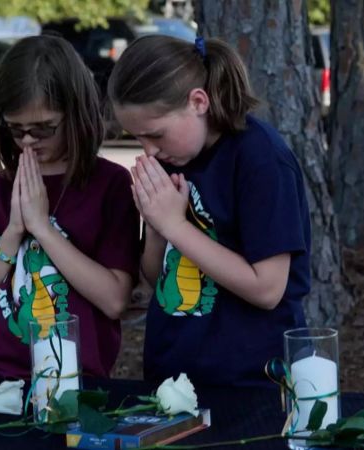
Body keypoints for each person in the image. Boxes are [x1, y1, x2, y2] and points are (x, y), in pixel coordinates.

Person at [108, 35, 312, 387]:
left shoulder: (260, 159)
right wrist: (156, 229)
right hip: (172, 376)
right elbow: (159, 279)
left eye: (156, 134)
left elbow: (268, 289)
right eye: (138, 139)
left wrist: (174, 225)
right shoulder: (176, 158)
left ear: (198, 101)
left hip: (250, 381)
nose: (150, 151)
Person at [0, 34, 139, 380]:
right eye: (15, 129)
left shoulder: (110, 185)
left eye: (43, 129)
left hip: (76, 379)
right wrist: (13, 232)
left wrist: (42, 228)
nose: (27, 140)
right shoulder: (1, 189)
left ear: (76, 113)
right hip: (0, 376)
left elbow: (115, 300)